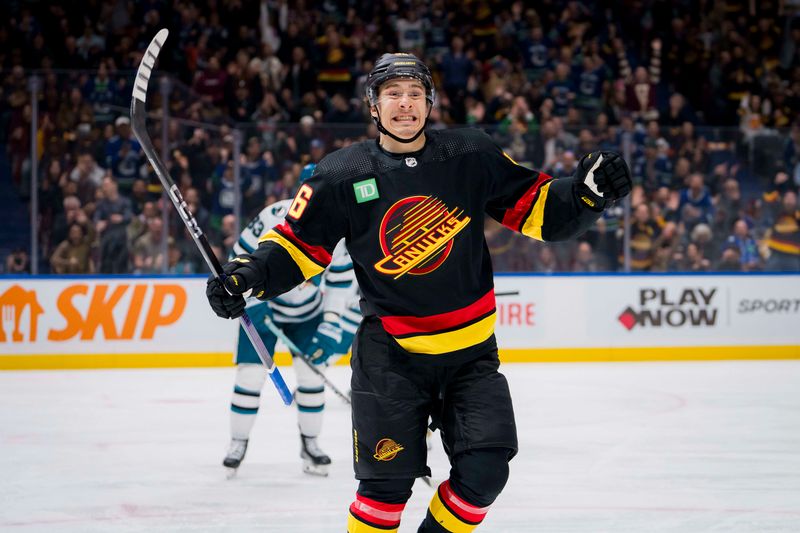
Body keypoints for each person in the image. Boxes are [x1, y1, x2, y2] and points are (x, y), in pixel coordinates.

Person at [206, 53, 632, 532]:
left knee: (486, 472)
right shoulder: (340, 174)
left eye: (414, 94)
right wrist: (246, 277)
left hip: (471, 356)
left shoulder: (470, 154)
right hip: (391, 357)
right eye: (393, 94)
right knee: (384, 494)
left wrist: (586, 196)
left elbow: (538, 211)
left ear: (429, 102)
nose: (404, 105)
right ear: (373, 105)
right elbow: (296, 249)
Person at [221, 163, 361, 477]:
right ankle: (237, 442)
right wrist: (252, 302)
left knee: (311, 380)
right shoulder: (272, 217)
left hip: (307, 314)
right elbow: (239, 258)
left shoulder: (341, 231)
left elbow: (340, 285)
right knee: (249, 376)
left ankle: (310, 444)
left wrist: (329, 325)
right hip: (262, 309)